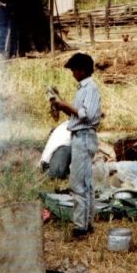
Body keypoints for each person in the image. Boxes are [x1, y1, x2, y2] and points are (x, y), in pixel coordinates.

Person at [49, 52, 102, 238]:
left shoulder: (90, 88)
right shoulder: (83, 89)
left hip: (84, 137)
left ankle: (80, 227)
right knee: (85, 183)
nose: (72, 73)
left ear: (82, 70)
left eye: (74, 69)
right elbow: (77, 116)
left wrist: (64, 106)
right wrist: (62, 106)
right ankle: (87, 223)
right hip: (80, 135)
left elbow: (86, 115)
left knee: (78, 183)